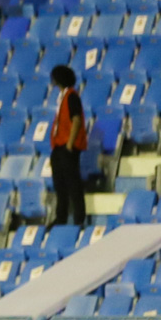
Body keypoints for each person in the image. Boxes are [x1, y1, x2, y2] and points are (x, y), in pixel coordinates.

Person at [48, 64, 88, 227]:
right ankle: (61, 217)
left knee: (73, 184)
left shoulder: (72, 96)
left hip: (67, 147)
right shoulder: (63, 97)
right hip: (58, 147)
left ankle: (79, 218)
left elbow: (76, 120)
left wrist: (70, 145)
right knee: (60, 185)